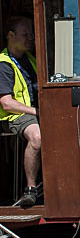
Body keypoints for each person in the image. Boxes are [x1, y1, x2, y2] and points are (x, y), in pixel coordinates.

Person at [0, 17, 40, 206]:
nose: (30, 38)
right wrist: (35, 111)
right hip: (14, 116)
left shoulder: (30, 59)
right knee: (37, 137)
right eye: (25, 35)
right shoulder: (3, 64)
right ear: (11, 35)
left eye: (31, 34)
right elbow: (7, 104)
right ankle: (31, 189)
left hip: (35, 112)